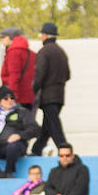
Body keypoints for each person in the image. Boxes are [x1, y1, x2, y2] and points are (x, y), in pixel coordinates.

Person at [30, 23, 70, 156]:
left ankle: (64, 150)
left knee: (54, 125)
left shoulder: (44, 52)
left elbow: (39, 75)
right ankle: (36, 150)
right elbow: (68, 75)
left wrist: (33, 91)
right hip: (60, 94)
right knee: (47, 125)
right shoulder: (61, 52)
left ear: (45, 36)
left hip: (48, 96)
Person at [0, 27, 34, 117]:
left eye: (3, 37)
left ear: (10, 38)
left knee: (16, 125)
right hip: (29, 96)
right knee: (27, 122)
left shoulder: (14, 52)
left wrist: (11, 97)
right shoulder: (30, 52)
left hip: (18, 96)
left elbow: (14, 76)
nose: (1, 40)